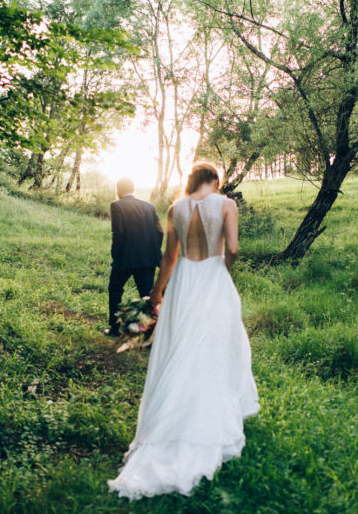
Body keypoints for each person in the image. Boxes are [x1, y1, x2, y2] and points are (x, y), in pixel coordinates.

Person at [107, 162, 260, 500]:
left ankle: (171, 414)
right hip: (213, 278)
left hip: (184, 284)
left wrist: (158, 292)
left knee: (180, 346)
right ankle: (210, 405)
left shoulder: (176, 208)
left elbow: (168, 257)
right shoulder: (226, 205)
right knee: (219, 344)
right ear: (215, 182)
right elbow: (232, 248)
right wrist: (224, 269)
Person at [107, 177, 163, 337]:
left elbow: (119, 233)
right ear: (133, 189)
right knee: (147, 295)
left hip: (125, 259)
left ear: (119, 189)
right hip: (147, 259)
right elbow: (160, 231)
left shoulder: (117, 205)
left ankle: (114, 328)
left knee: (115, 290)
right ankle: (149, 334)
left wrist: (116, 255)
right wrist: (153, 250)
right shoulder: (149, 207)